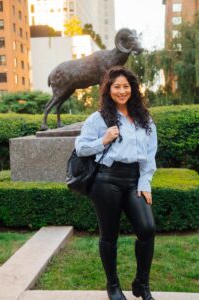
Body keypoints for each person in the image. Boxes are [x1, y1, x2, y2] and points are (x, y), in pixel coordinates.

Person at [75, 66, 158, 300]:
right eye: (116, 87)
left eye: (126, 86)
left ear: (132, 88)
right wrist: (103, 140)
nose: (122, 91)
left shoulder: (144, 119)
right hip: (107, 181)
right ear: (108, 90)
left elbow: (150, 154)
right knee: (109, 235)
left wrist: (145, 183)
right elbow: (80, 147)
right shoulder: (99, 118)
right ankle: (113, 286)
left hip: (134, 180)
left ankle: (142, 283)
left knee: (147, 229)